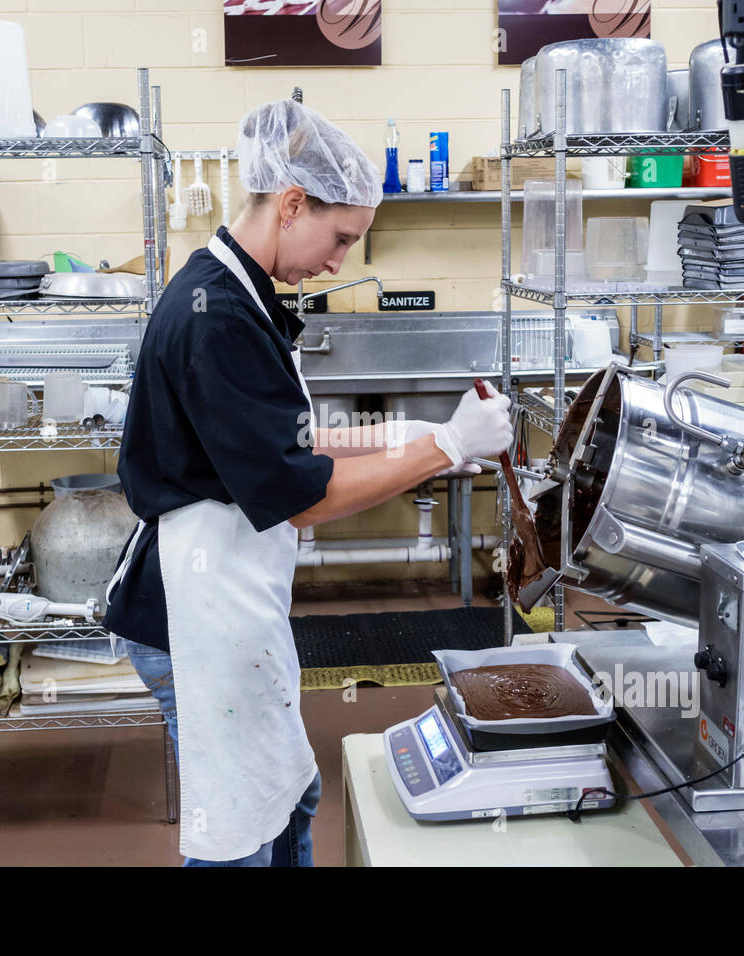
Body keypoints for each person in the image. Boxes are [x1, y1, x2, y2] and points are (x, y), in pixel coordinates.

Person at [104, 98, 513, 866]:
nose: (338, 263)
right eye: (340, 238)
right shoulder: (215, 316)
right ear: (292, 204)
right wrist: (448, 446)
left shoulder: (241, 292)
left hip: (230, 595)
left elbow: (278, 440)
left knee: (291, 795)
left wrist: (405, 437)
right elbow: (302, 495)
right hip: (194, 612)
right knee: (239, 831)